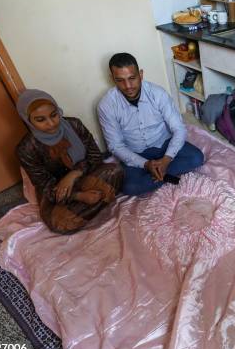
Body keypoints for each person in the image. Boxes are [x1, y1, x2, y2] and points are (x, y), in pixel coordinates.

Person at [16, 89, 123, 234]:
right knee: (60, 223)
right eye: (40, 120)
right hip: (58, 193)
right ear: (27, 120)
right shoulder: (26, 149)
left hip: (85, 175)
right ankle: (96, 202)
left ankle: (88, 208)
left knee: (115, 171)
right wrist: (79, 196)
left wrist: (73, 174)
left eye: (54, 115)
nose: (51, 124)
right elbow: (45, 185)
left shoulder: (74, 125)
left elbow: (95, 156)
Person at [97, 52, 204, 195]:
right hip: (136, 153)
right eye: (120, 80)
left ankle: (159, 172)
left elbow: (179, 129)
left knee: (196, 158)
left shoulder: (158, 93)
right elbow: (115, 146)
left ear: (141, 74)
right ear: (112, 79)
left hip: (163, 145)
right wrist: (146, 164)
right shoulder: (106, 105)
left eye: (132, 78)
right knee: (130, 187)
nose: (128, 86)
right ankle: (163, 174)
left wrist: (166, 160)